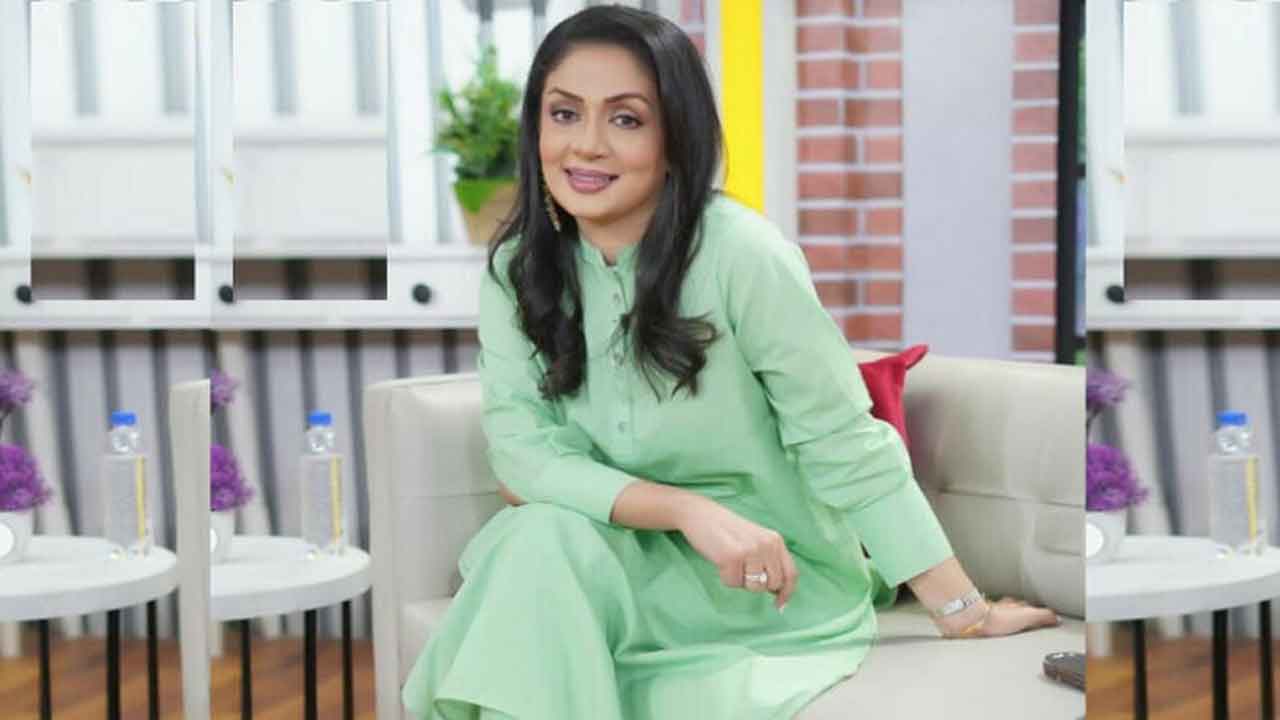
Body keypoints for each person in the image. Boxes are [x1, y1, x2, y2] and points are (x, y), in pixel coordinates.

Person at [402, 6, 1060, 719]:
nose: (586, 145)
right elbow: (523, 457)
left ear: (675, 136)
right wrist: (686, 510)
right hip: (607, 559)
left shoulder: (743, 255)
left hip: (764, 577)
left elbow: (842, 441)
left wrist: (963, 610)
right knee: (536, 539)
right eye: (564, 114)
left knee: (533, 572)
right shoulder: (518, 268)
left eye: (625, 119)